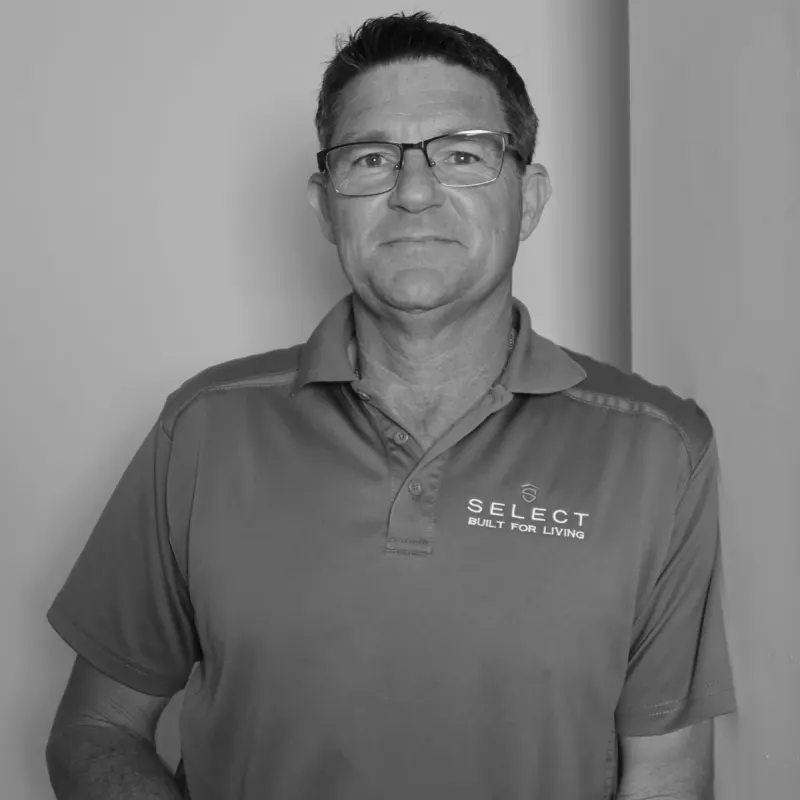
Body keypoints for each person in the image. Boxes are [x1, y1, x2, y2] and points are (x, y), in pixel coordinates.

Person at [44, 11, 737, 800]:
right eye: (372, 158)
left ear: (530, 197)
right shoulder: (202, 428)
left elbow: (669, 774)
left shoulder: (659, 449)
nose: (413, 192)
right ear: (325, 202)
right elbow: (94, 730)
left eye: (462, 154)